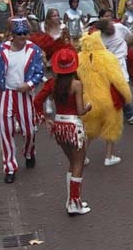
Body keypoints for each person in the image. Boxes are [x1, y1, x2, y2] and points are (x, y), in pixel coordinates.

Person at [33, 49, 93, 215]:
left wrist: (44, 119)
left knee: (72, 163)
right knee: (78, 164)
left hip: (59, 126)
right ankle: (74, 204)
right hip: (74, 126)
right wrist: (88, 107)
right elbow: (80, 111)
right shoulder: (76, 85)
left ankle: (72, 200)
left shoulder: (52, 84)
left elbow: (37, 101)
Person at [0, 18, 45, 183]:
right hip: (7, 94)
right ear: (12, 35)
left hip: (24, 95)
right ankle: (10, 167)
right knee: (6, 130)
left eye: (25, 33)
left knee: (29, 131)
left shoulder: (34, 50)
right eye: (19, 33)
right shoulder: (1, 49)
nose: (22, 36)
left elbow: (39, 73)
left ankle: (29, 152)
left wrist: (29, 84)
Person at [77, 31, 132, 169]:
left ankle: (82, 157)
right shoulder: (108, 57)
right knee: (111, 128)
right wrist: (127, 96)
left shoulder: (79, 58)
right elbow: (118, 80)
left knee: (89, 130)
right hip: (109, 101)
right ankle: (109, 157)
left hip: (88, 101)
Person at [93, 13, 133, 126]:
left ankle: (129, 113)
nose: (112, 28)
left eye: (111, 25)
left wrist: (124, 48)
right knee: (109, 90)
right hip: (107, 65)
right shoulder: (98, 37)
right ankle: (112, 114)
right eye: (109, 28)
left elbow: (131, 38)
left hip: (121, 63)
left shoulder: (120, 28)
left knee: (123, 88)